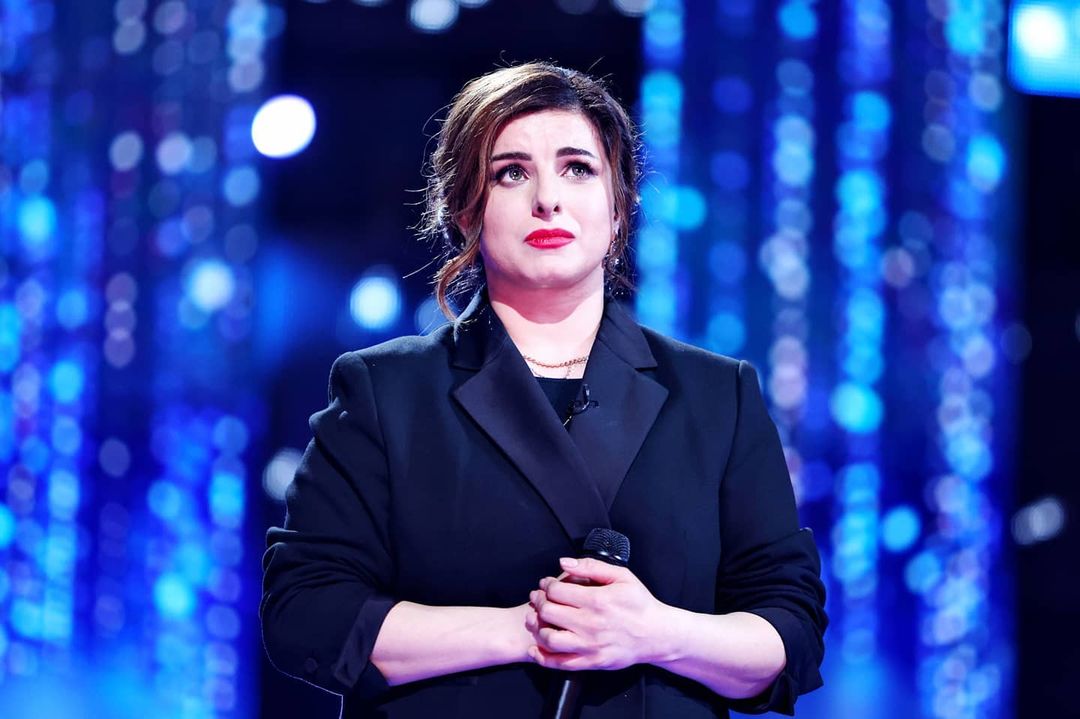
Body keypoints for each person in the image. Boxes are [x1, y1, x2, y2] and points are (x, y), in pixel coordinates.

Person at [261, 61, 827, 718]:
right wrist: (529, 629)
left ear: (619, 209)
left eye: (578, 169)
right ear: (466, 211)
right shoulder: (385, 391)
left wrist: (656, 633)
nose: (547, 199)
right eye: (512, 173)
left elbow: (790, 629)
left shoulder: (717, 395)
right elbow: (307, 611)